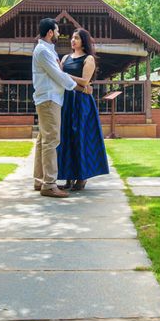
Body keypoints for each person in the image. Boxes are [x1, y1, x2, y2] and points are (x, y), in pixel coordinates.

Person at [32, 18, 92, 198]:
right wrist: (80, 88)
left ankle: (40, 180)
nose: (60, 34)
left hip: (51, 98)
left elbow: (59, 74)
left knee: (43, 139)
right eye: (57, 31)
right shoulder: (43, 51)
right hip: (49, 99)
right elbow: (58, 75)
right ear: (50, 32)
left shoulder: (48, 50)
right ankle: (49, 184)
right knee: (51, 140)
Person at [58, 28, 109, 190]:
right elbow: (58, 77)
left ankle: (82, 177)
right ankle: (67, 176)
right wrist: (63, 77)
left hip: (81, 103)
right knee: (65, 138)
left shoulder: (89, 59)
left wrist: (65, 76)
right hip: (66, 101)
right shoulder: (65, 58)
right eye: (72, 38)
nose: (73, 40)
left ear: (83, 42)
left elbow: (85, 81)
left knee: (80, 137)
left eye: (77, 38)